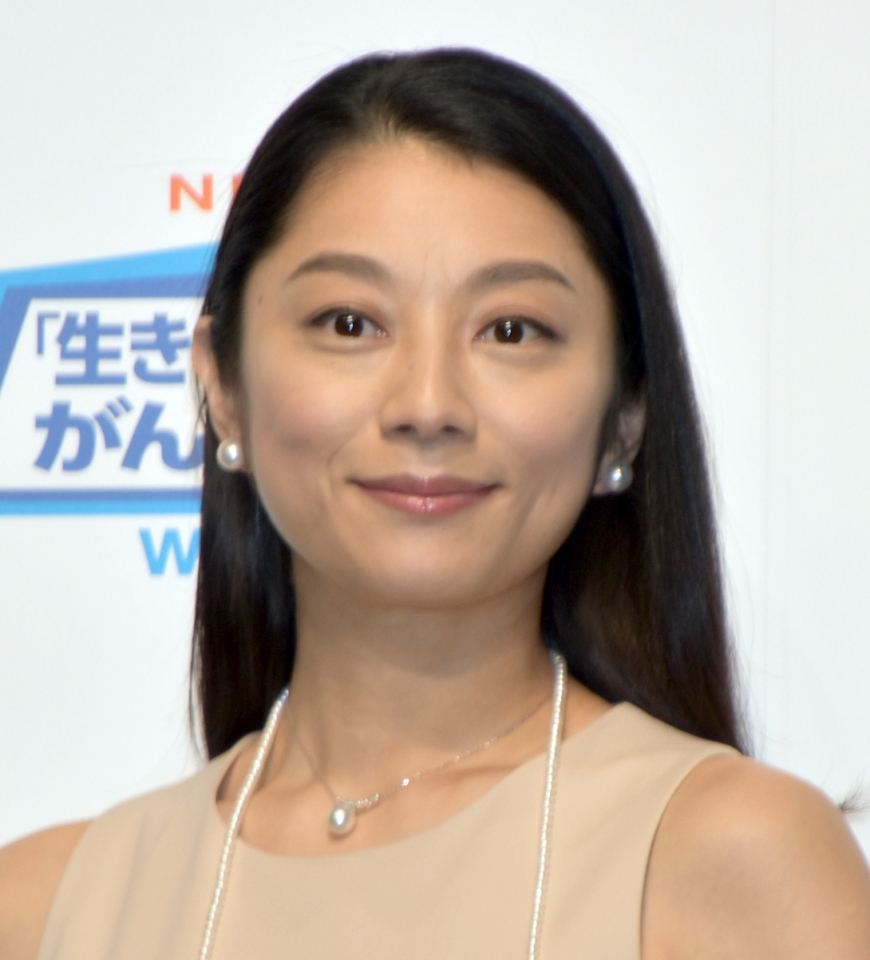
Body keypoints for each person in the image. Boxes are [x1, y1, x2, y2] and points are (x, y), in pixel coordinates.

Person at [1, 48, 869, 960]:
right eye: (349, 324)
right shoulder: (44, 911)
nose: (427, 404)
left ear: (623, 420)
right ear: (222, 386)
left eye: (511, 330)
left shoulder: (734, 866)